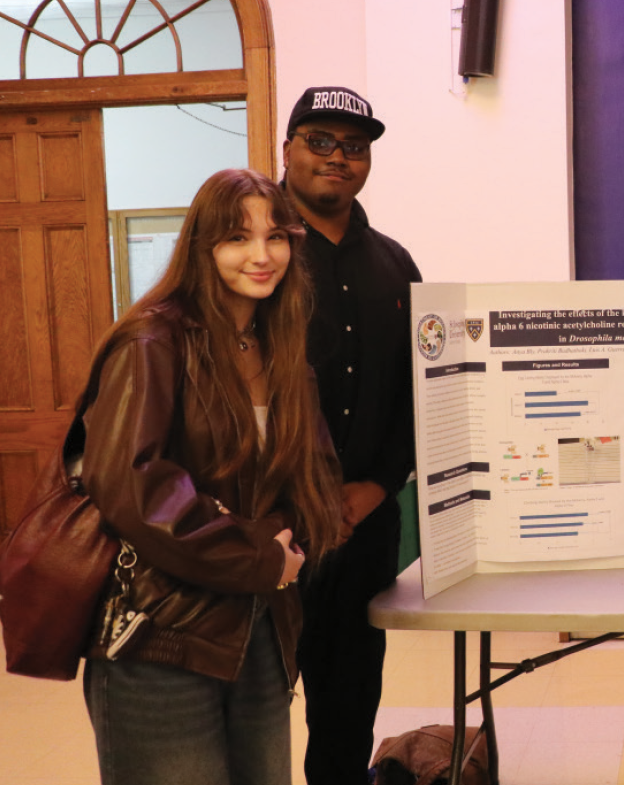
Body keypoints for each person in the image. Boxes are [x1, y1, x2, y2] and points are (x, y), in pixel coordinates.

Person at [80, 168, 343, 785]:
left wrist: (292, 545)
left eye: (276, 236)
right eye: (238, 238)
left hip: (260, 623)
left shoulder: (280, 348)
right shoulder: (152, 341)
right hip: (162, 629)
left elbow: (317, 476)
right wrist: (258, 556)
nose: (261, 255)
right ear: (204, 245)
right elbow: (133, 484)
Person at [281, 86, 423, 785]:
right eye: (321, 141)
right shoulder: (254, 255)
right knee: (249, 704)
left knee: (347, 706)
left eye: (355, 147)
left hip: (362, 528)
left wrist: (377, 484)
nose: (339, 158)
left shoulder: (396, 266)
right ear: (288, 149)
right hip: (263, 531)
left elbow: (419, 396)